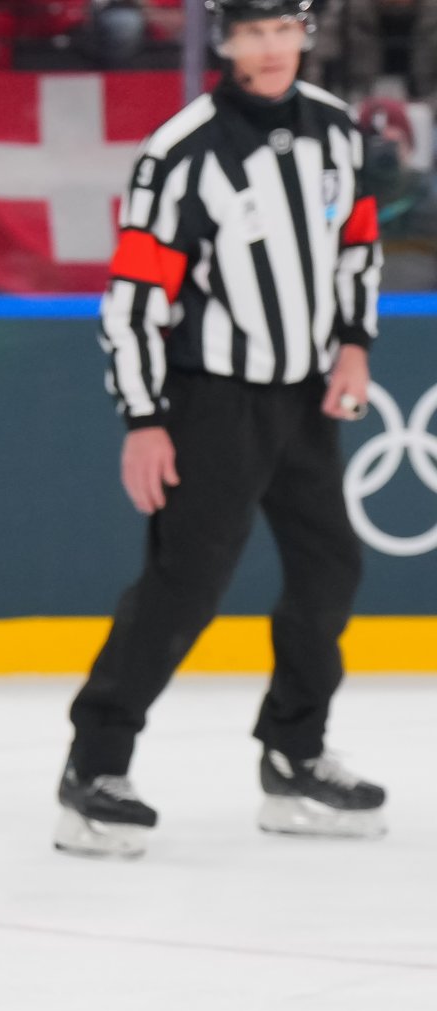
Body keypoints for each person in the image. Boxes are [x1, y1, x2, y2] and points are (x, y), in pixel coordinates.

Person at [59, 0, 386, 858]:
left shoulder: (335, 129)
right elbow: (135, 297)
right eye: (253, 32)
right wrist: (144, 417)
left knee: (330, 570)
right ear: (226, 40)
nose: (271, 48)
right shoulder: (183, 152)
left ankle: (295, 753)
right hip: (212, 402)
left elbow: (357, 243)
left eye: (284, 29)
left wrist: (354, 343)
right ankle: (95, 769)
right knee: (185, 586)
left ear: (304, 34)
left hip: (306, 398)